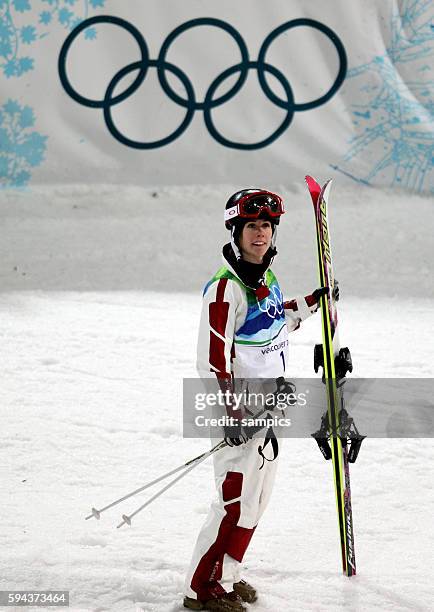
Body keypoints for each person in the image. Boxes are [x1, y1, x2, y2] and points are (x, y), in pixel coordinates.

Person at [183, 188, 327, 611]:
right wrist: (232, 415)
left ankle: (226, 576)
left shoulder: (264, 278)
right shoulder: (224, 289)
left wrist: (313, 303)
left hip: (269, 408)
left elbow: (275, 321)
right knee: (233, 504)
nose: (260, 233)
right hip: (238, 411)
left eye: (266, 225)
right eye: (252, 226)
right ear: (236, 230)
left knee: (255, 502)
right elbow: (212, 363)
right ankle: (200, 589)